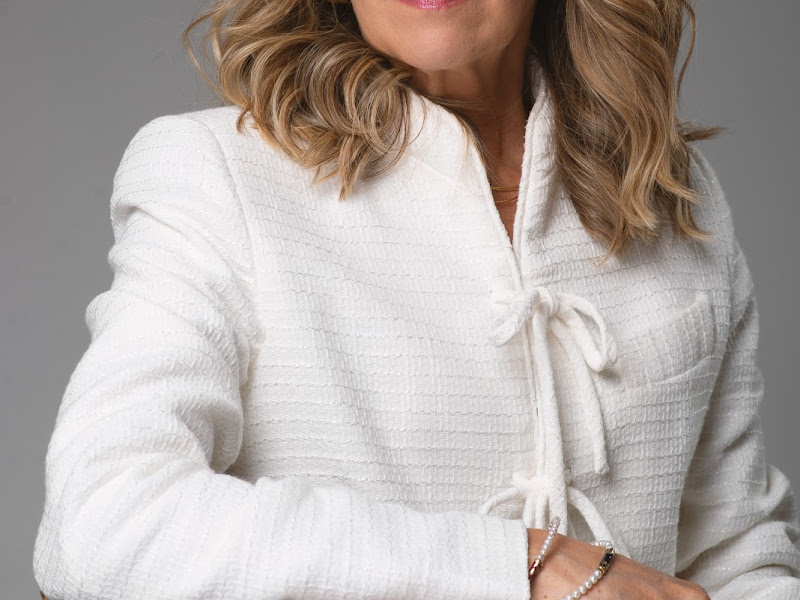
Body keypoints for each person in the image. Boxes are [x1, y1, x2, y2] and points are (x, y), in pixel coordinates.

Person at [32, 0, 800, 599]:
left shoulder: (675, 193)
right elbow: (101, 524)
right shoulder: (219, 174)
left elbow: (735, 555)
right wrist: (519, 567)